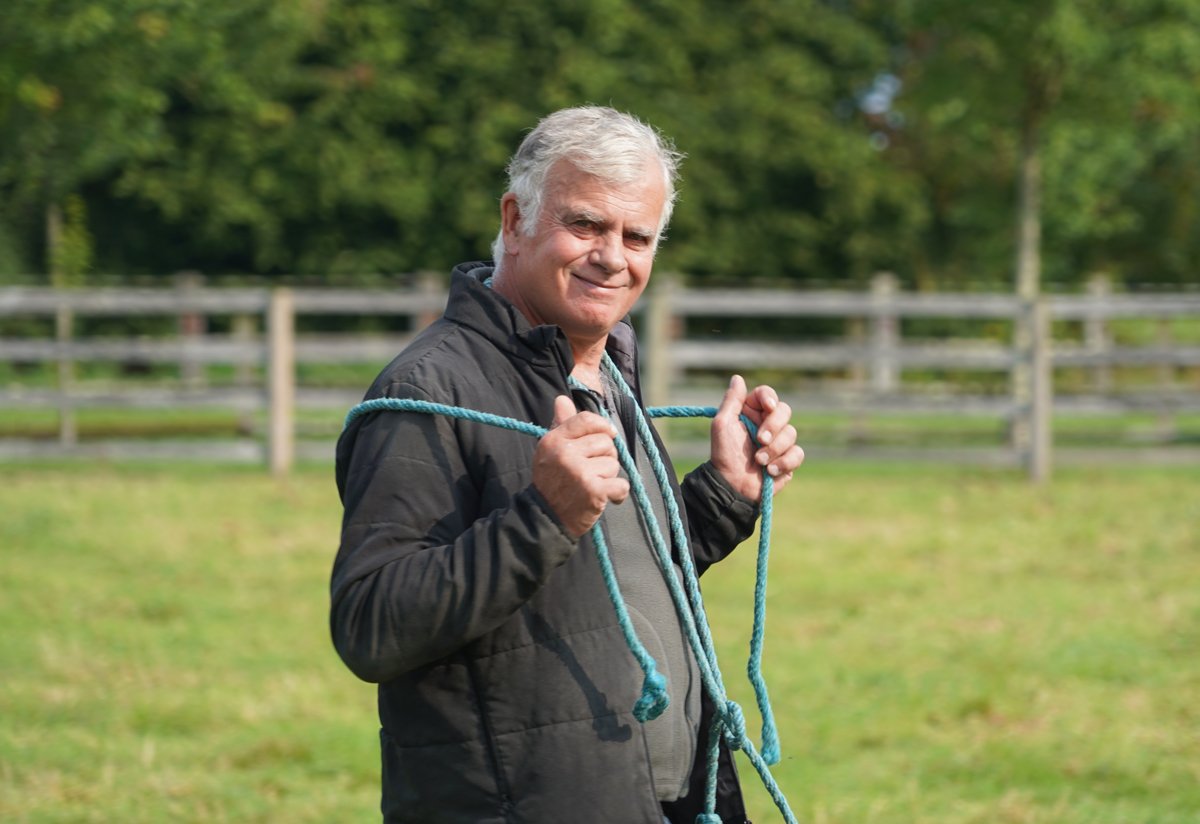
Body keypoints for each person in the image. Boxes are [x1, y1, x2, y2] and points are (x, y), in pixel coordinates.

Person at [331, 105, 804, 824]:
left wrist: (722, 496)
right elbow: (371, 626)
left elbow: (601, 584)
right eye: (585, 225)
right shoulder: (427, 390)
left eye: (637, 236)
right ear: (514, 219)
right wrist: (543, 517)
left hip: (670, 802)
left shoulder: (606, 370)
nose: (612, 257)